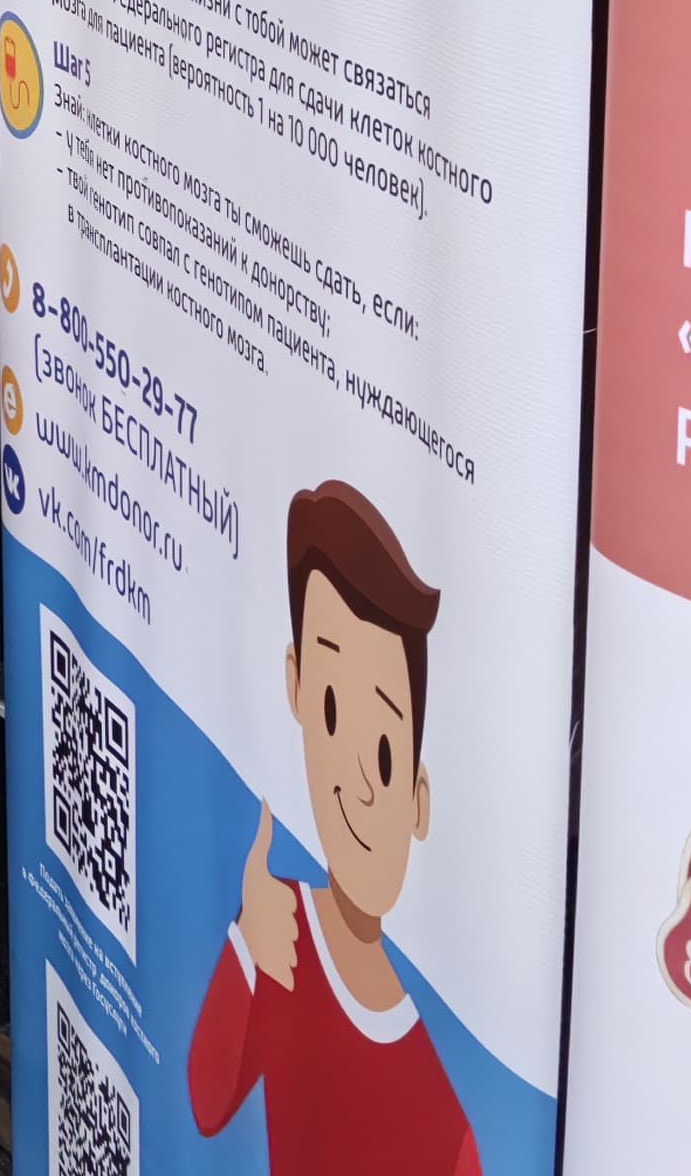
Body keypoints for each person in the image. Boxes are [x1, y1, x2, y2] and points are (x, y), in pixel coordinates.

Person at [184, 483, 476, 1176]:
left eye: (385, 753)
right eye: (333, 712)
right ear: (297, 690)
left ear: (418, 799)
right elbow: (207, 1098)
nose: (359, 781)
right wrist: (248, 943)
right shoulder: (284, 931)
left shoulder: (444, 1111)